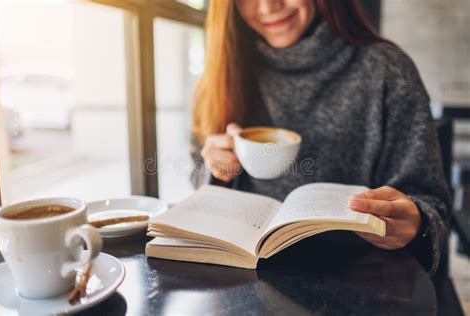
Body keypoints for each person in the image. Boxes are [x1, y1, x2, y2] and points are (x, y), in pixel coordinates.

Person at [190, 0, 451, 275]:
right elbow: (197, 172)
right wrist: (215, 171)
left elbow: (431, 205)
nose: (267, 7)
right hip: (239, 269)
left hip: (360, 276)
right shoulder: (222, 69)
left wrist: (417, 223)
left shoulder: (387, 70)